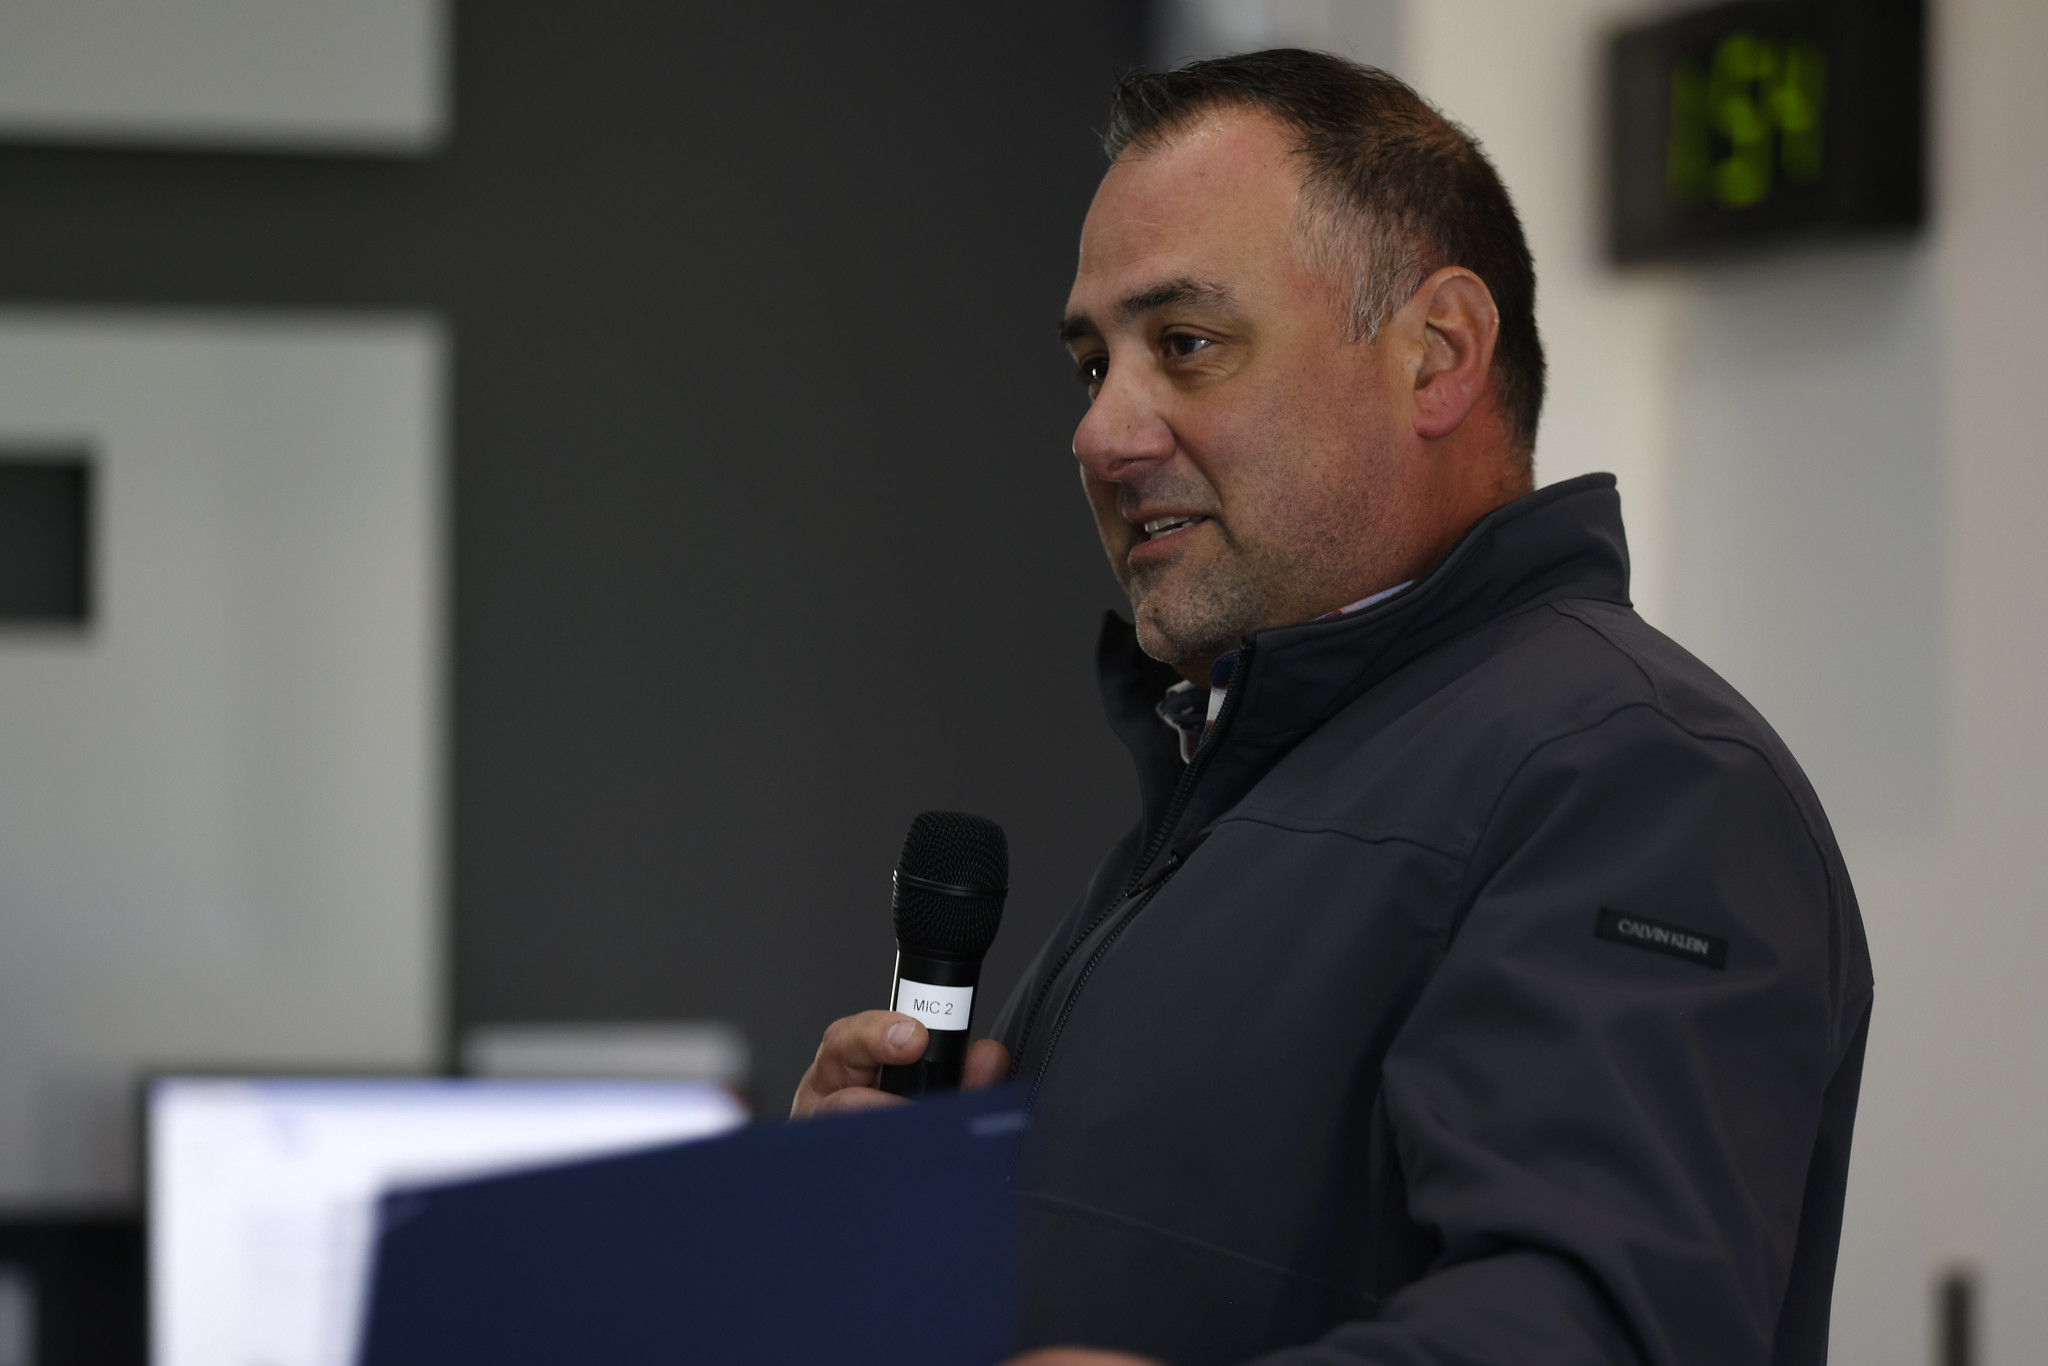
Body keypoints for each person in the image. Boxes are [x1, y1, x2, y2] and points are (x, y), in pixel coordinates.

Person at [794, 50, 1871, 1366]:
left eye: (1185, 345)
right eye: (1093, 364)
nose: (1100, 433)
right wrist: (879, 1235)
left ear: (1440, 355)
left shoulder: (1639, 775)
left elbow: (1595, 1328)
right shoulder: (1227, 785)